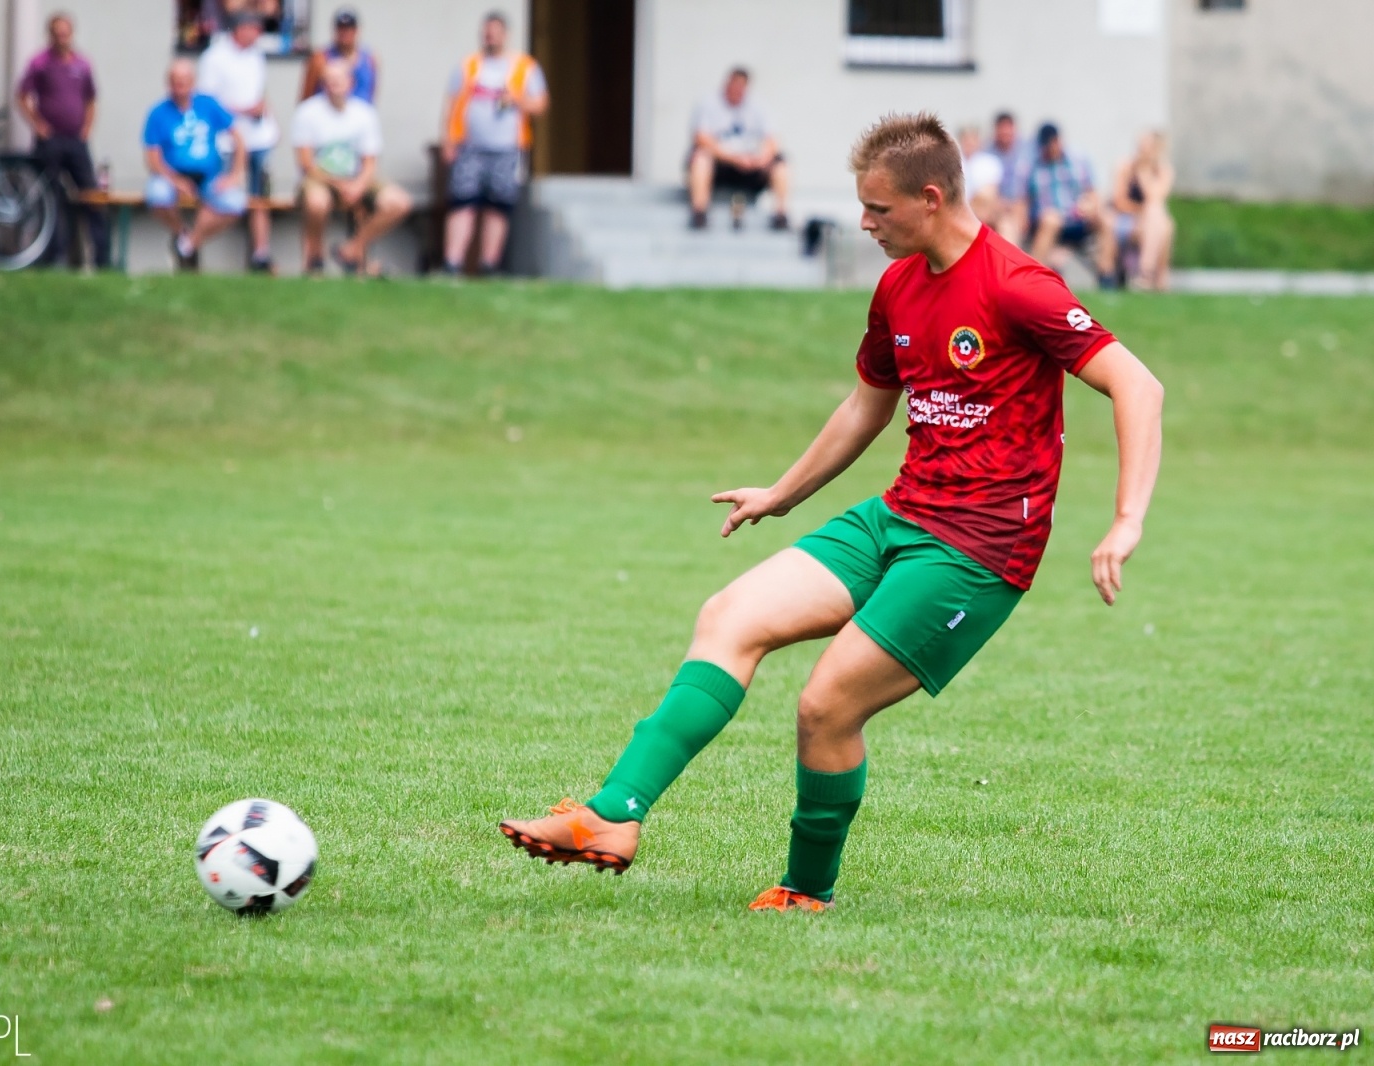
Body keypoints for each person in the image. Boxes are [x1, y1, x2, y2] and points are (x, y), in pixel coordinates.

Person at [499, 112, 1164, 914]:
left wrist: (1126, 520)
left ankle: (807, 890)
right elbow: (865, 408)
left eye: (878, 210)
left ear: (929, 197)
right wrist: (782, 492)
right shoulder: (898, 285)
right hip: (899, 515)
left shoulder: (1019, 287)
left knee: (826, 704)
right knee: (729, 614)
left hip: (980, 549)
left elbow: (1139, 385)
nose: (864, 223)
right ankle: (611, 817)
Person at [439, 11, 547, 277]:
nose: (491, 36)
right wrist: (449, 141)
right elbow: (452, 105)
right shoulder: (468, 66)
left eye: (496, 31)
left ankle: (489, 265)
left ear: (506, 34)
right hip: (469, 146)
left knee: (497, 207)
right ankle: (452, 264)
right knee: (463, 203)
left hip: (506, 148)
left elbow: (540, 104)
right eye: (487, 31)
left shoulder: (525, 67)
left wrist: (517, 99)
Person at [292, 60, 411, 276]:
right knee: (317, 203)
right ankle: (315, 259)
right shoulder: (307, 112)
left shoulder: (364, 113)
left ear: (351, 83)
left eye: (338, 80)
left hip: (357, 177)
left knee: (399, 202)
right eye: (328, 81)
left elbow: (370, 161)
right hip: (321, 178)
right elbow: (306, 163)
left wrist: (358, 185)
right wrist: (340, 184)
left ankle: (352, 249)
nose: (333, 85)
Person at [16, 11, 109, 269]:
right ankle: (53, 257)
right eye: (58, 34)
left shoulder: (82, 64)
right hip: (50, 142)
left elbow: (91, 99)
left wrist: (87, 128)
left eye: (66, 33)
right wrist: (37, 124)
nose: (62, 38)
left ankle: (102, 258)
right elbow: (22, 95)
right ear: (51, 35)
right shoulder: (40, 63)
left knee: (90, 195)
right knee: (52, 199)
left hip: (76, 141)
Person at [142, 58, 248, 272]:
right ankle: (181, 232)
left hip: (209, 176)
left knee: (235, 202)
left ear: (193, 82)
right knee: (156, 194)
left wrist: (235, 174)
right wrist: (176, 180)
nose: (179, 86)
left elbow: (238, 138)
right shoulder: (158, 113)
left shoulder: (208, 105)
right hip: (172, 176)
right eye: (175, 81)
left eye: (184, 81)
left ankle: (189, 244)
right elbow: (152, 158)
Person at [197, 10, 278, 273]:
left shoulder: (256, 56)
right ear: (239, 29)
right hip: (227, 143)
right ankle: (191, 248)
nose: (257, 34)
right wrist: (244, 110)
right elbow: (207, 103)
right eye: (253, 28)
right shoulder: (214, 57)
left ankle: (260, 254)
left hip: (258, 138)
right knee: (223, 196)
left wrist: (262, 111)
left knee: (259, 197)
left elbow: (258, 93)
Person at [686, 67, 789, 231]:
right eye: (733, 85)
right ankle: (699, 212)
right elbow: (701, 138)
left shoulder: (758, 106)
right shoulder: (708, 103)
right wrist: (734, 158)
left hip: (751, 164)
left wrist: (760, 159)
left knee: (781, 164)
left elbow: (772, 140)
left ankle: (781, 215)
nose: (736, 90)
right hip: (721, 163)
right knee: (700, 158)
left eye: (740, 87)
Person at [1025, 122, 1117, 289]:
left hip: (1079, 218)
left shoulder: (1078, 160)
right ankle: (1035, 280)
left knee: (1107, 219)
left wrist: (1090, 205)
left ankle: (1106, 274)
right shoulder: (1034, 167)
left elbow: (1093, 192)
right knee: (1051, 219)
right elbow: (1025, 201)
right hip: (1050, 222)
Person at [1111, 131, 1176, 291]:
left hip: (1151, 222)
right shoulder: (1126, 166)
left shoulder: (1163, 170)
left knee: (1162, 223)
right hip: (1127, 218)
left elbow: (1156, 197)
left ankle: (1146, 274)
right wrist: (1142, 211)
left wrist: (1144, 173)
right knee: (1164, 225)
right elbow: (1119, 201)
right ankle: (1157, 277)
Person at [299, 7, 378, 104]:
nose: (344, 33)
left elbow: (371, 95)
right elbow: (306, 97)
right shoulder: (320, 58)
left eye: (348, 28)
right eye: (341, 28)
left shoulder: (370, 59)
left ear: (356, 30)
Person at [986, 111, 1028, 245]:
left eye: (1008, 128)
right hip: (999, 204)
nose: (1005, 133)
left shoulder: (1026, 150)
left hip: (1023, 203)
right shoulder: (987, 153)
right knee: (1006, 223)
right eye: (1001, 129)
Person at [957, 125, 1003, 227]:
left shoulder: (991, 162)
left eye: (972, 139)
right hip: (962, 206)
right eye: (966, 139)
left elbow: (992, 190)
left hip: (984, 206)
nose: (969, 143)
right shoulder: (953, 163)